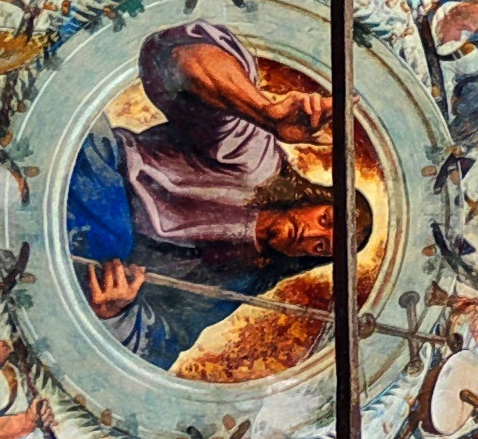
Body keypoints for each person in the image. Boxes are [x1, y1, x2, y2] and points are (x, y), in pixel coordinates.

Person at [64, 22, 373, 380]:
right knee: (113, 238)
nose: (306, 237)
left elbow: (162, 342)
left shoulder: (238, 280)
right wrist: (264, 112)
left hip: (75, 266)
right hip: (83, 170)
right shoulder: (255, 165)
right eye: (325, 220)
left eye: (321, 247)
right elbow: (179, 56)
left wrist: (116, 311)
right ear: (316, 198)